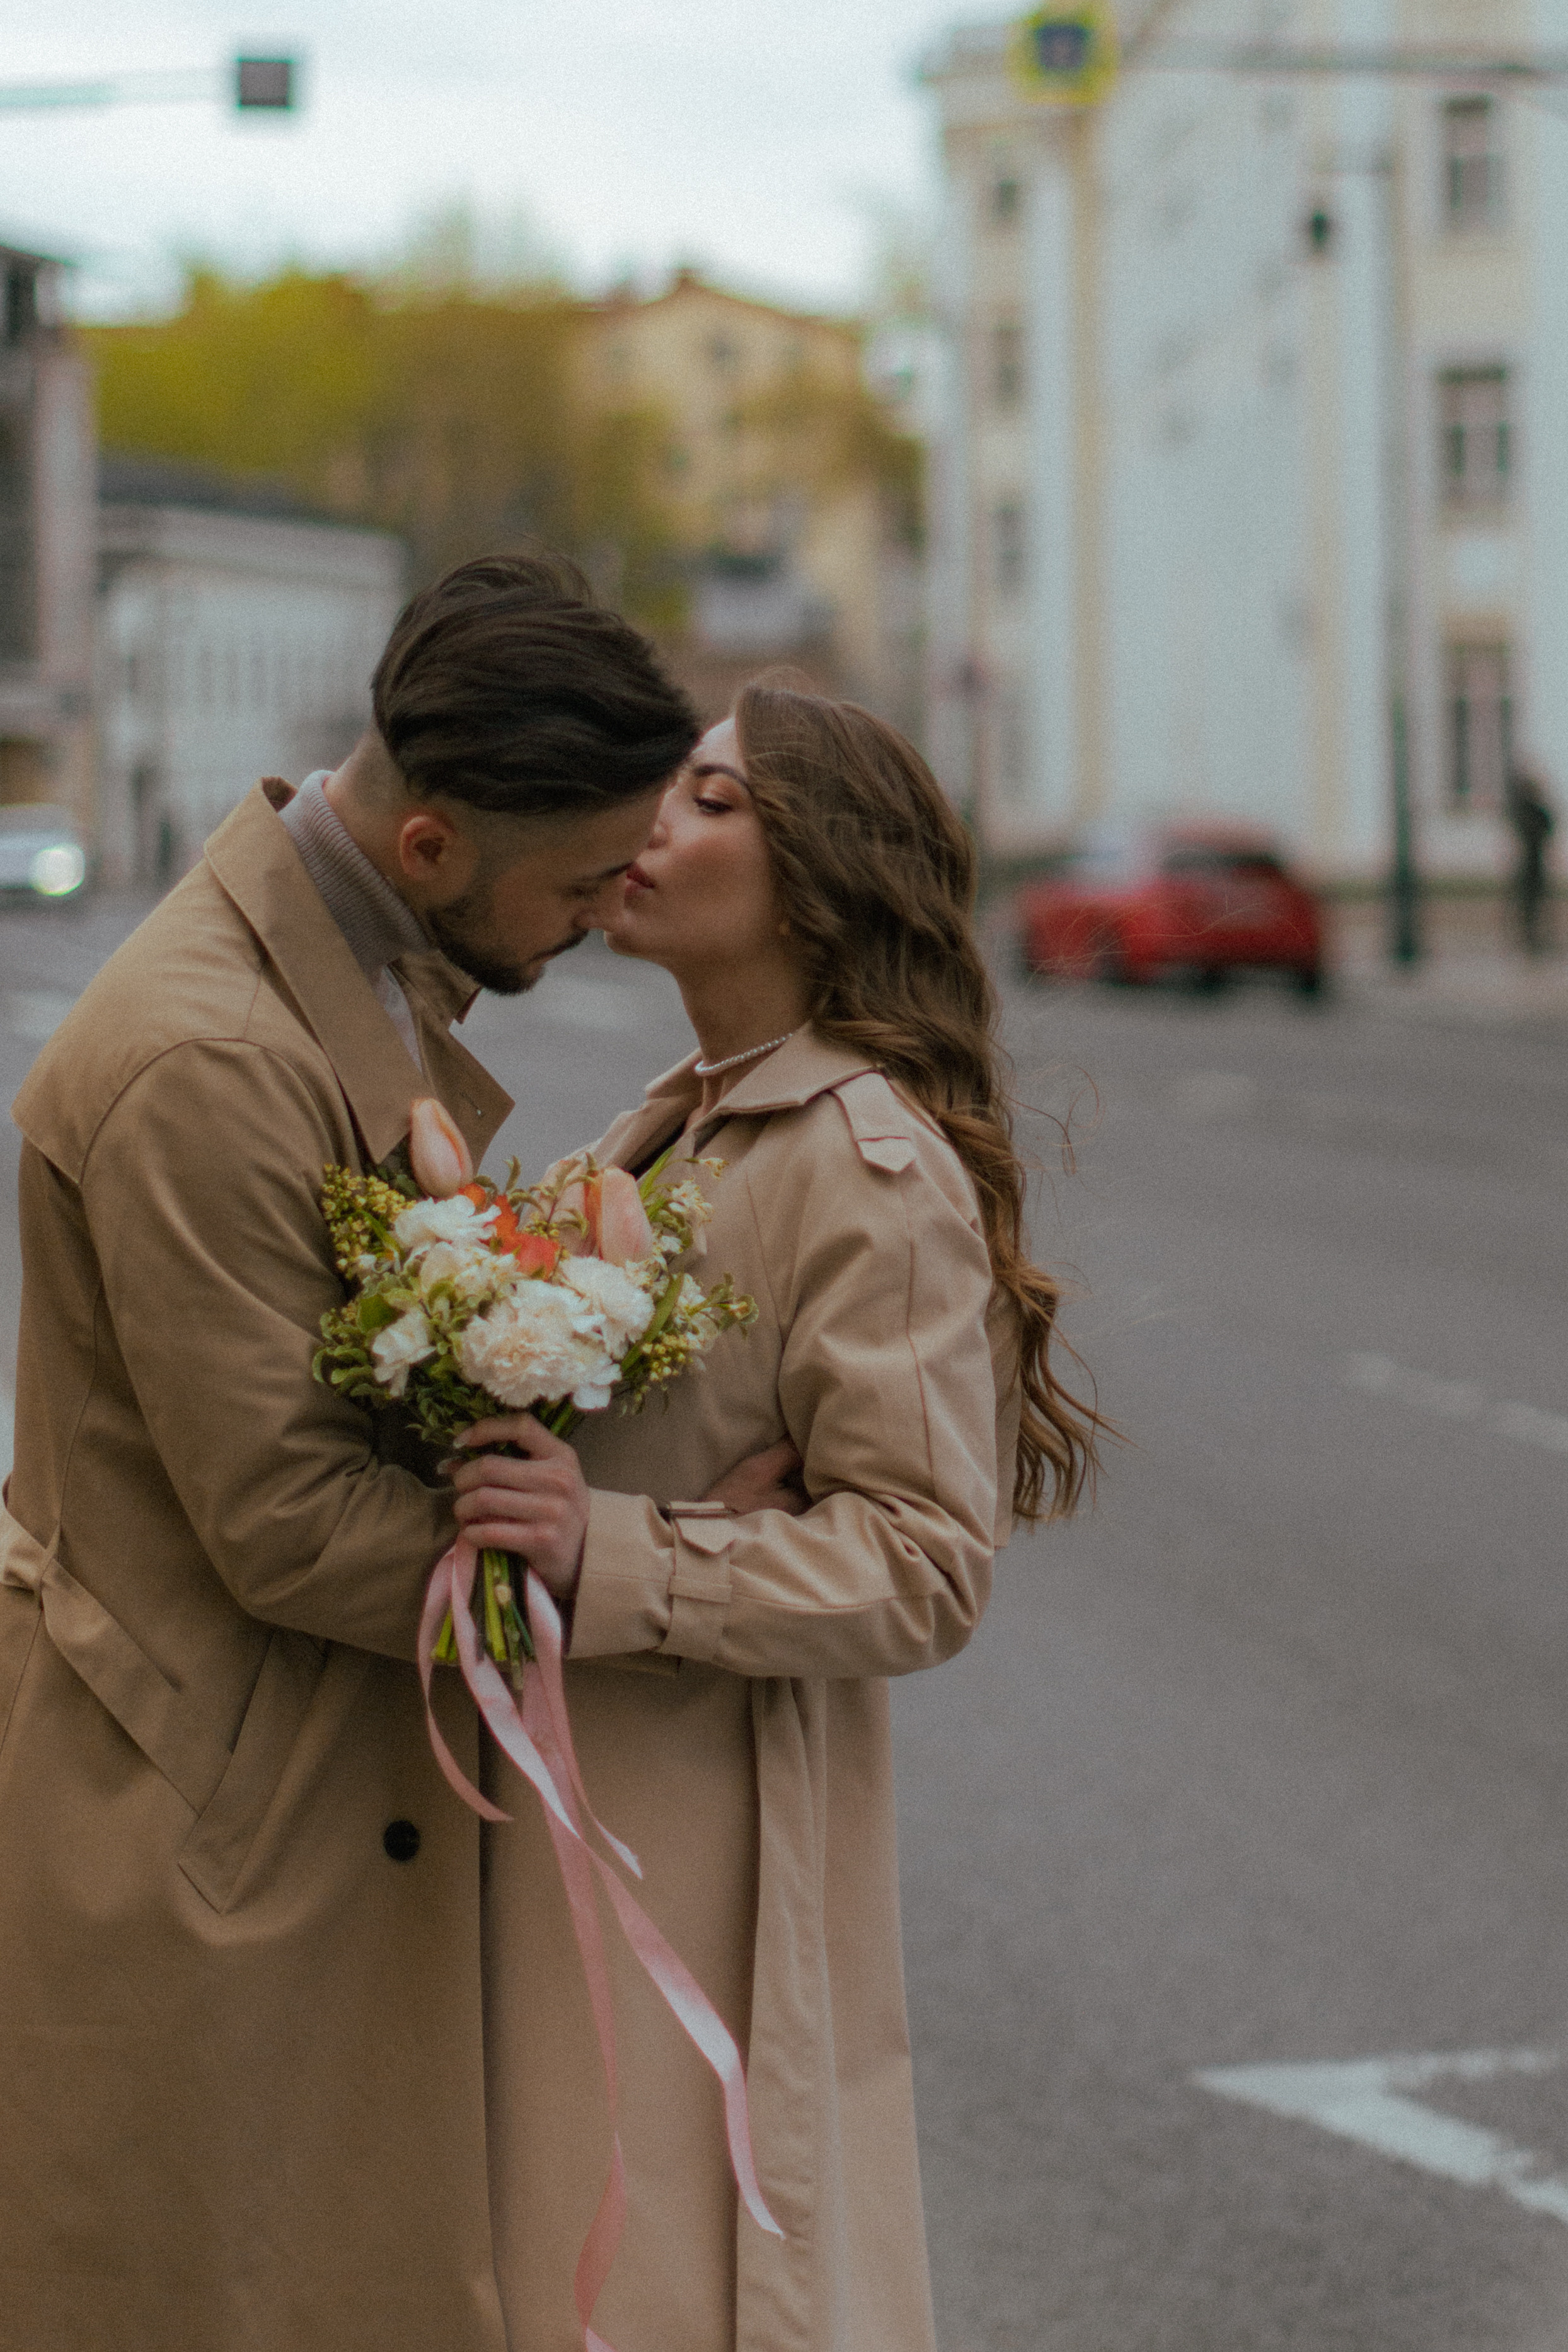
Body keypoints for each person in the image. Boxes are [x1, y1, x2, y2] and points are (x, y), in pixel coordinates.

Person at [0, 554, 796, 2352]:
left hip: (282, 1783)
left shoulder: (326, 972)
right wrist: (635, 1575)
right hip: (214, 1819)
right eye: (585, 877)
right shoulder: (205, 1053)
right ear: (431, 844)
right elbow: (284, 1516)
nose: (606, 910)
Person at [451, 683, 1103, 2352]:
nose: (652, 824)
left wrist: (618, 1545)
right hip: (585, 1787)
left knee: (669, 2278)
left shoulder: (862, 1162)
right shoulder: (671, 1123)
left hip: (706, 1834)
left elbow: (925, 1558)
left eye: (714, 797)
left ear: (820, 867)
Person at [1505, 762, 1555, 954]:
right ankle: (1530, 935)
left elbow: (1547, 824)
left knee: (1534, 900)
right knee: (1529, 900)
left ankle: (1534, 935)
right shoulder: (1526, 809)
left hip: (1533, 861)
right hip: (1529, 861)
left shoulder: (1531, 809)